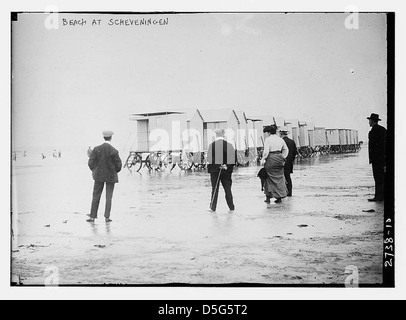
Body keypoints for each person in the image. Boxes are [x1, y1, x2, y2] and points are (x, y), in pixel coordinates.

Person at [87, 130, 122, 223]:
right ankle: (107, 217)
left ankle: (92, 217)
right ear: (111, 137)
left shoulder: (96, 149)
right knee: (109, 197)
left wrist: (95, 171)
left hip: (98, 176)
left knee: (96, 196)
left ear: (103, 137)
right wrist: (114, 171)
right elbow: (119, 165)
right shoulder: (114, 150)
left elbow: (90, 162)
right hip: (111, 176)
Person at [207, 128, 236, 212]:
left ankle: (213, 207)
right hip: (226, 170)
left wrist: (217, 165)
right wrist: (226, 166)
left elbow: (209, 158)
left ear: (216, 135)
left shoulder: (211, 145)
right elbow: (233, 158)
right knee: (228, 189)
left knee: (215, 189)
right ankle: (231, 207)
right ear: (223, 134)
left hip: (214, 170)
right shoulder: (229, 145)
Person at [260, 125, 289, 204]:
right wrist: (283, 157)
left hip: (271, 158)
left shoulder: (268, 140)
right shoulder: (280, 140)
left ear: (269, 132)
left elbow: (266, 151)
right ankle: (279, 197)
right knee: (279, 178)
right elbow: (286, 149)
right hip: (279, 158)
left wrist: (263, 159)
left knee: (268, 178)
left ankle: (268, 197)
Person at [367, 113, 386, 202]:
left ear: (373, 121)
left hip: (376, 159)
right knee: (382, 177)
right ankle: (381, 196)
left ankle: (378, 197)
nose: (369, 122)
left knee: (377, 177)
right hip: (383, 158)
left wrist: (370, 158)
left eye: (369, 120)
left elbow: (371, 147)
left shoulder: (372, 132)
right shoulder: (383, 130)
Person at [279, 128, 297, 197]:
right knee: (288, 177)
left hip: (281, 162)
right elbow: (295, 152)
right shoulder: (292, 141)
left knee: (280, 178)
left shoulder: (281, 141)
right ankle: (289, 193)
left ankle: (282, 193)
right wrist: (291, 160)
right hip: (289, 162)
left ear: (281, 134)